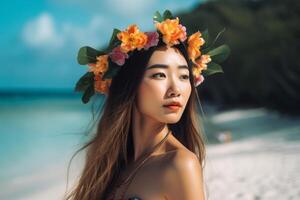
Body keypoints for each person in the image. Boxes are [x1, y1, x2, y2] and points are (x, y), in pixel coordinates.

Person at [65, 10, 229, 200]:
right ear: (130, 84)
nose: (176, 89)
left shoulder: (180, 164)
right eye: (159, 75)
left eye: (184, 77)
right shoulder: (109, 163)